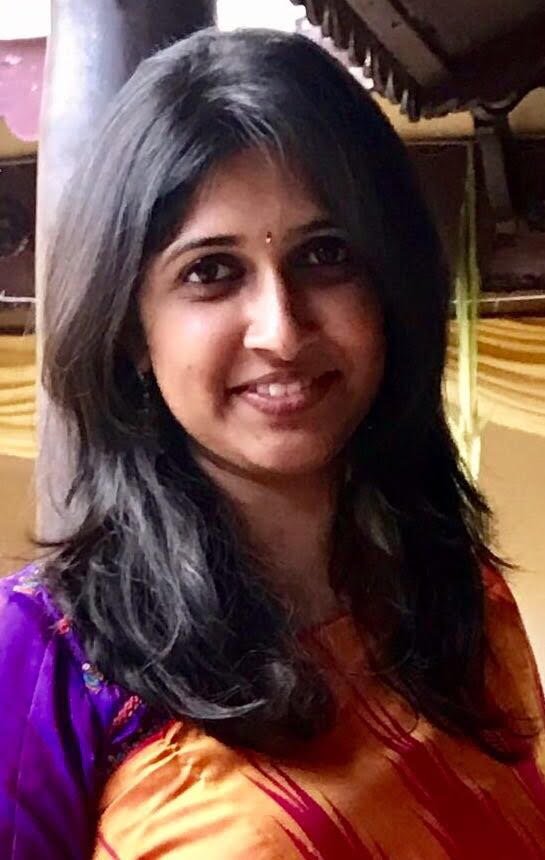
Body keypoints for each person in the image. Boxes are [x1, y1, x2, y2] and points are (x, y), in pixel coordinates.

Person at [1, 27, 544, 860]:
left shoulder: (457, 598)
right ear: (132, 330)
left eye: (325, 255)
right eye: (210, 272)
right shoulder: (42, 660)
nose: (281, 331)